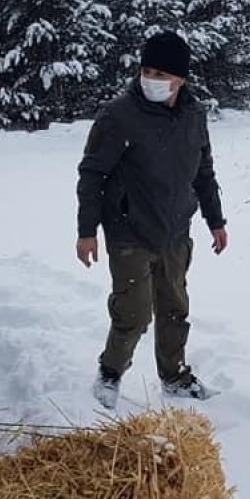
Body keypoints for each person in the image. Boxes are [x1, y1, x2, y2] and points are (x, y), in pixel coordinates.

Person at [75, 31, 228, 409]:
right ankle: (110, 372)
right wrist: (86, 231)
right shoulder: (119, 115)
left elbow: (203, 171)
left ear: (181, 79)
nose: (151, 80)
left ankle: (174, 377)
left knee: (174, 306)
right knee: (134, 311)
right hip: (129, 229)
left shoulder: (194, 115)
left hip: (175, 229)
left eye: (161, 74)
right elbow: (92, 174)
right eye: (146, 70)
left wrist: (215, 220)